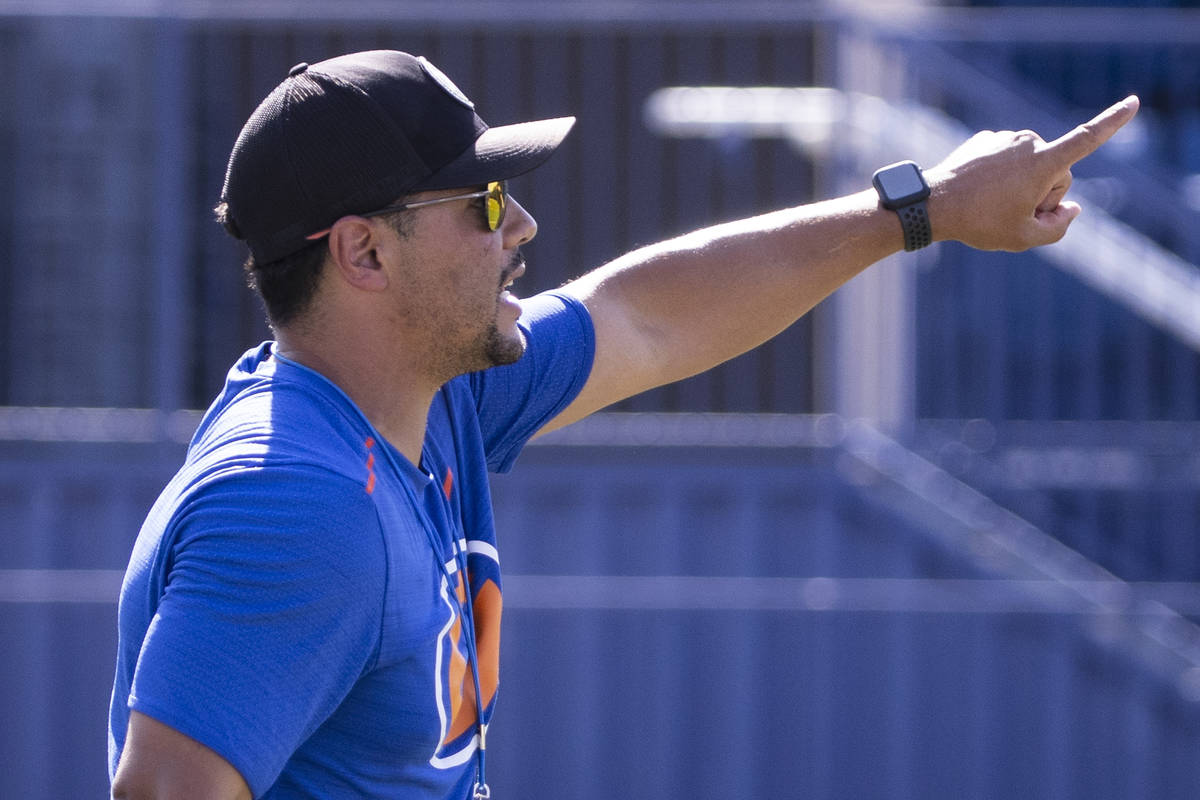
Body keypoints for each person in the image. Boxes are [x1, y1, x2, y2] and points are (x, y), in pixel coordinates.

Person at [107, 49, 1138, 800]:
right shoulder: (296, 495)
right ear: (366, 255)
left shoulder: (425, 396)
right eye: (485, 198)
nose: (520, 227)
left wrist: (926, 208)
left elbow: (644, 314)